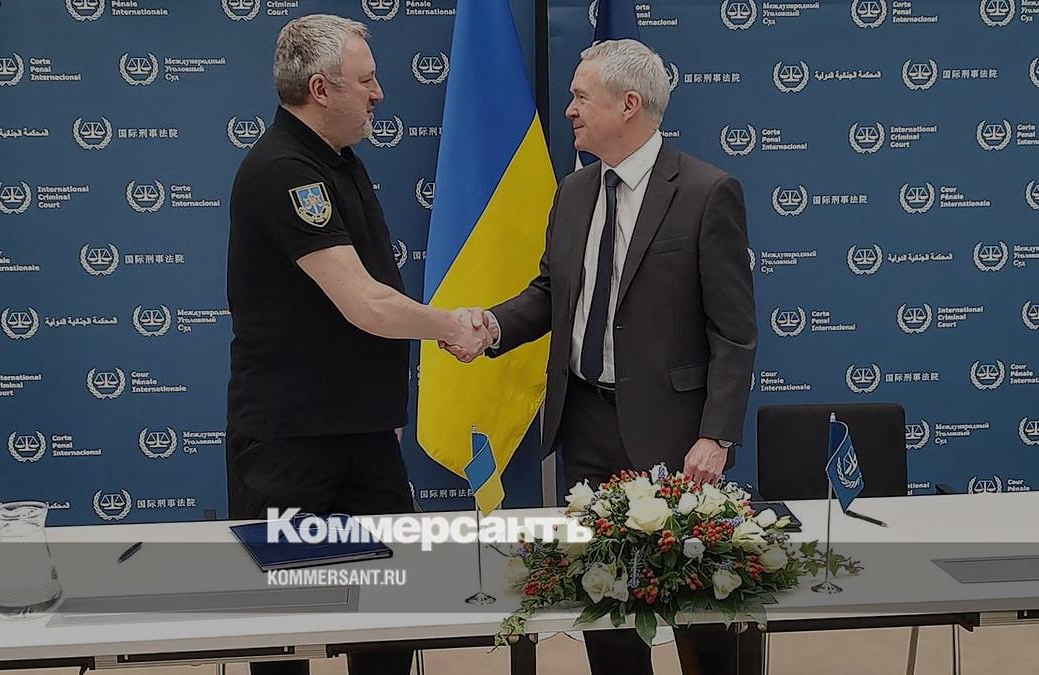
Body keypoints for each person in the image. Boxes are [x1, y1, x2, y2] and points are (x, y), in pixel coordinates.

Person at [451, 39, 757, 675]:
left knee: (697, 601)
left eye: (580, 97)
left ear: (629, 104)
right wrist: (491, 327)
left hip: (675, 434)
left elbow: (734, 333)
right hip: (585, 423)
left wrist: (716, 436)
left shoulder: (707, 192)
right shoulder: (573, 192)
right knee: (607, 597)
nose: (569, 110)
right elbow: (551, 294)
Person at [226, 14, 490, 675]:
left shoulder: (338, 161)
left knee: (390, 614)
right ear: (321, 89)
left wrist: (380, 406)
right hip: (292, 446)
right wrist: (453, 326)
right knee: (285, 629)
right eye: (366, 81)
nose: (379, 94)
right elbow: (365, 304)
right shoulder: (285, 170)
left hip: (361, 435)